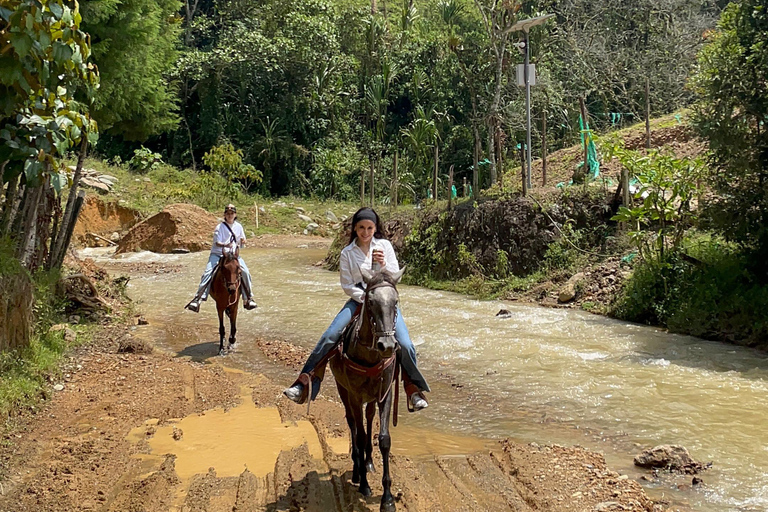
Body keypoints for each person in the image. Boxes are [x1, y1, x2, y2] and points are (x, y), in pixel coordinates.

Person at [283, 207, 429, 411]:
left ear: (375, 228)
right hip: (359, 298)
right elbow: (347, 285)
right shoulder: (347, 253)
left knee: (404, 343)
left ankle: (413, 389)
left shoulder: (384, 246)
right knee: (330, 335)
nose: (365, 232)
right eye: (361, 227)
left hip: (383, 301)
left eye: (369, 227)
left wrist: (383, 264)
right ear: (355, 229)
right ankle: (304, 382)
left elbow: (396, 276)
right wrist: (366, 299)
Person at [185, 204, 258, 312]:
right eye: (228, 214)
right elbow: (217, 243)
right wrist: (225, 245)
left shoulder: (239, 227)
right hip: (218, 254)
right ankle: (198, 298)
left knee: (245, 272)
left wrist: (243, 242)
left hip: (233, 256)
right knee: (207, 273)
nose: (230, 215)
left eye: (232, 214)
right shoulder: (219, 227)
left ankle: (248, 298)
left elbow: (241, 243)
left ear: (235, 215)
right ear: (225, 215)